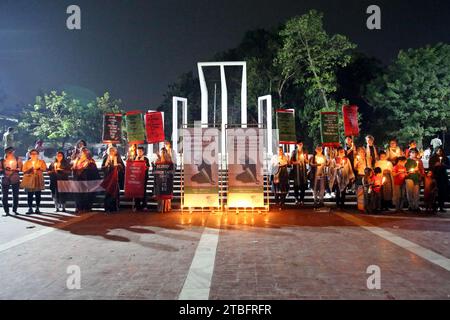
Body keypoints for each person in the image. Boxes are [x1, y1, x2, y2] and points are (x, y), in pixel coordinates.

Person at [72, 147, 100, 213]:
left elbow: (94, 171)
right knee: (78, 195)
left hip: (87, 180)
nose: (84, 152)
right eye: (82, 151)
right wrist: (75, 170)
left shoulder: (90, 160)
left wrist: (88, 167)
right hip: (78, 180)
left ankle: (86, 207)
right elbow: (73, 169)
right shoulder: (77, 160)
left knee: (87, 195)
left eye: (85, 151)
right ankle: (79, 207)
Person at [21, 149, 47, 214]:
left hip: (38, 179)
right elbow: (23, 171)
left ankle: (37, 208)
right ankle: (30, 208)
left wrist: (40, 168)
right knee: (30, 195)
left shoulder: (41, 162)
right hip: (30, 179)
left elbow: (44, 169)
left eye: (35, 154)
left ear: (38, 155)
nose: (34, 155)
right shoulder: (27, 162)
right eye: (32, 154)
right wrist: (29, 170)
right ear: (30, 155)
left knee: (38, 194)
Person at [101, 146, 125, 213]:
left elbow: (123, 168)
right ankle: (107, 208)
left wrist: (119, 166)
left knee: (115, 193)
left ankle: (114, 208)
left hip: (115, 179)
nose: (111, 152)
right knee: (107, 193)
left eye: (113, 151)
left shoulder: (118, 158)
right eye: (110, 151)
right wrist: (106, 166)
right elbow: (102, 167)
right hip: (108, 179)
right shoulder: (106, 158)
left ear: (115, 152)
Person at [0, 147, 22, 216]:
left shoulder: (17, 159)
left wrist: (16, 169)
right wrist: (4, 170)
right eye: (9, 152)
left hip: (15, 178)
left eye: (12, 152)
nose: (11, 153)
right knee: (5, 196)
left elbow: (21, 168)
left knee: (15, 195)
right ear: (6, 152)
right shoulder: (2, 160)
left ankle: (14, 210)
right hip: (5, 179)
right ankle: (6, 211)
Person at [429, 147, 449, 212]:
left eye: (440, 151)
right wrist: (435, 165)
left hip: (443, 177)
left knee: (442, 192)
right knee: (434, 193)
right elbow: (430, 166)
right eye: (438, 151)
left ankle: (441, 206)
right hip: (435, 177)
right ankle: (434, 206)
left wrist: (443, 165)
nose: (439, 152)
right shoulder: (433, 158)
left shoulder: (445, 157)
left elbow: (448, 165)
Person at [404, 148, 425, 212]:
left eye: (415, 152)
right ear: (409, 153)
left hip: (416, 178)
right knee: (409, 192)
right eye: (412, 152)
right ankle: (411, 206)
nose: (414, 154)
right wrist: (410, 171)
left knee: (416, 193)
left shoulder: (419, 161)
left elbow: (422, 170)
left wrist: (420, 174)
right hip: (409, 177)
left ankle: (416, 206)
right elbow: (404, 169)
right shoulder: (407, 160)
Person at [154, 147, 174, 212]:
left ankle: (167, 208)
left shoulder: (169, 160)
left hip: (167, 179)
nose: (162, 153)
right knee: (160, 194)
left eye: (164, 152)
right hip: (160, 179)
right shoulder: (158, 160)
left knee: (166, 193)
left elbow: (171, 169)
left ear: (166, 152)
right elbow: (155, 169)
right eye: (161, 152)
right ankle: (160, 208)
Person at [290, 141, 309, 205]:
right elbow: (291, 162)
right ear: (297, 145)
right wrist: (296, 162)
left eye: (301, 144)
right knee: (296, 186)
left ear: (302, 145)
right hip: (296, 172)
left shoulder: (305, 152)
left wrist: (305, 160)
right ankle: (296, 199)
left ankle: (302, 199)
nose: (300, 145)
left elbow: (307, 161)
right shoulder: (294, 152)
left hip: (303, 172)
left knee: (303, 186)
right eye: (299, 144)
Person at [133, 146, 151, 211]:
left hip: (143, 177)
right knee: (136, 192)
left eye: (140, 151)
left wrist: (145, 167)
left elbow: (148, 167)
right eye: (138, 151)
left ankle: (144, 205)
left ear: (143, 152)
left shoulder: (146, 159)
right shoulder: (134, 158)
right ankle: (137, 206)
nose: (139, 152)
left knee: (143, 191)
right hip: (136, 178)